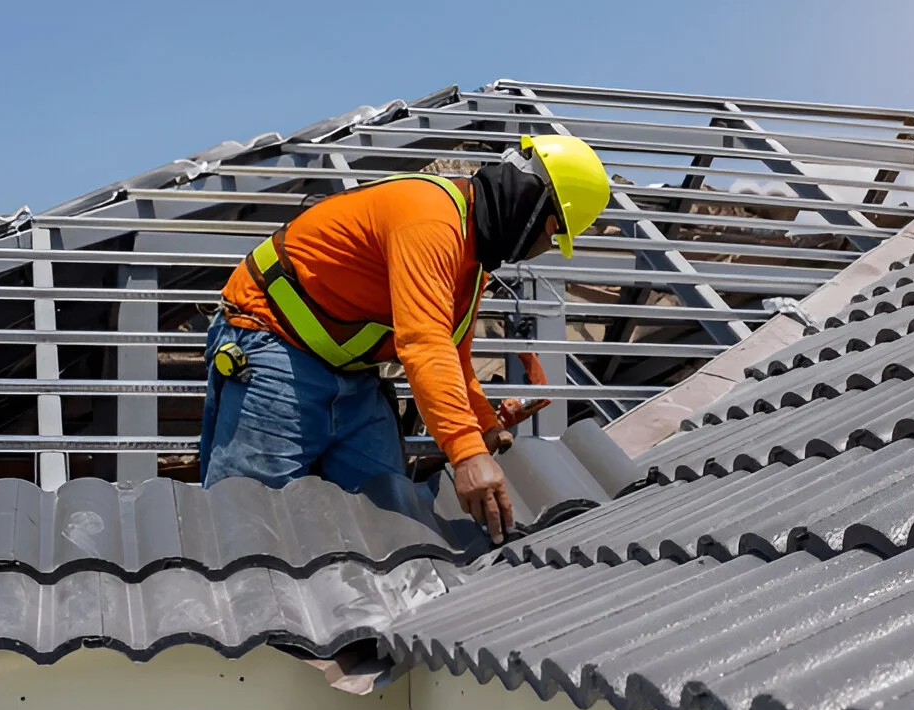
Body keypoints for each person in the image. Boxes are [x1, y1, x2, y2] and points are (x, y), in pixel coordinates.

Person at [198, 135, 609, 542]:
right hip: (273, 346)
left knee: (388, 520)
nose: (545, 246)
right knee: (252, 521)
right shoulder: (431, 217)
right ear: (540, 212)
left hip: (354, 375)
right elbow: (424, 342)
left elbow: (453, 350)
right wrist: (466, 453)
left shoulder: (472, 256)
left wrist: (483, 423)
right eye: (554, 235)